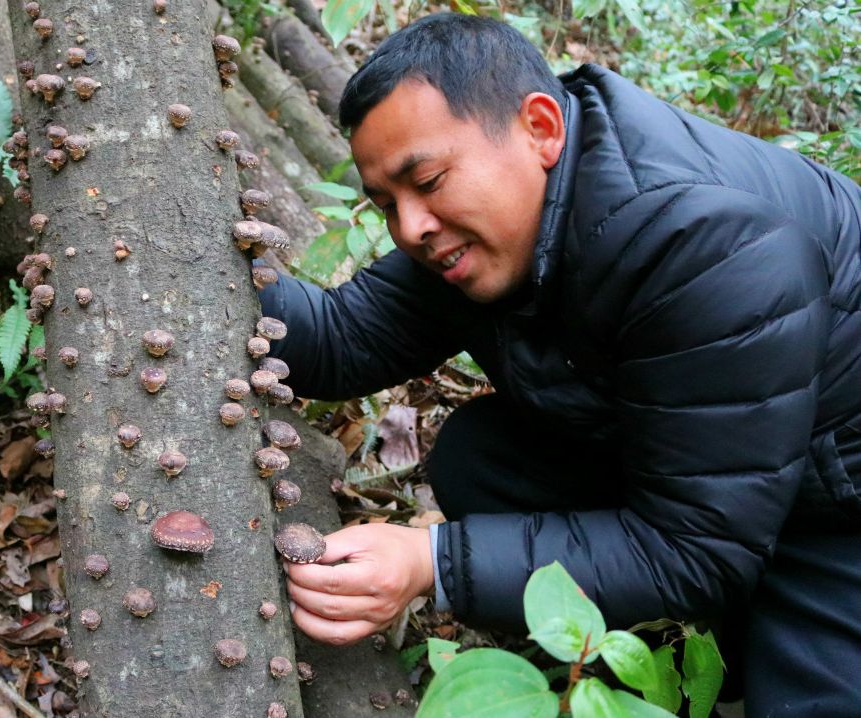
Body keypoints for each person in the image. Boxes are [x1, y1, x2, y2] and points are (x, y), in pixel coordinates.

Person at [257, 13, 861, 717]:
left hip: (835, 499)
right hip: (717, 466)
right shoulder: (497, 219)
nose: (411, 227)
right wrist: (211, 271)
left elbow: (694, 548)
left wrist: (431, 564)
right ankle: (698, 646)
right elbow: (341, 338)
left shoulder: (705, 245)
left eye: (427, 180)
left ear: (540, 128)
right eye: (388, 204)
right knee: (483, 460)